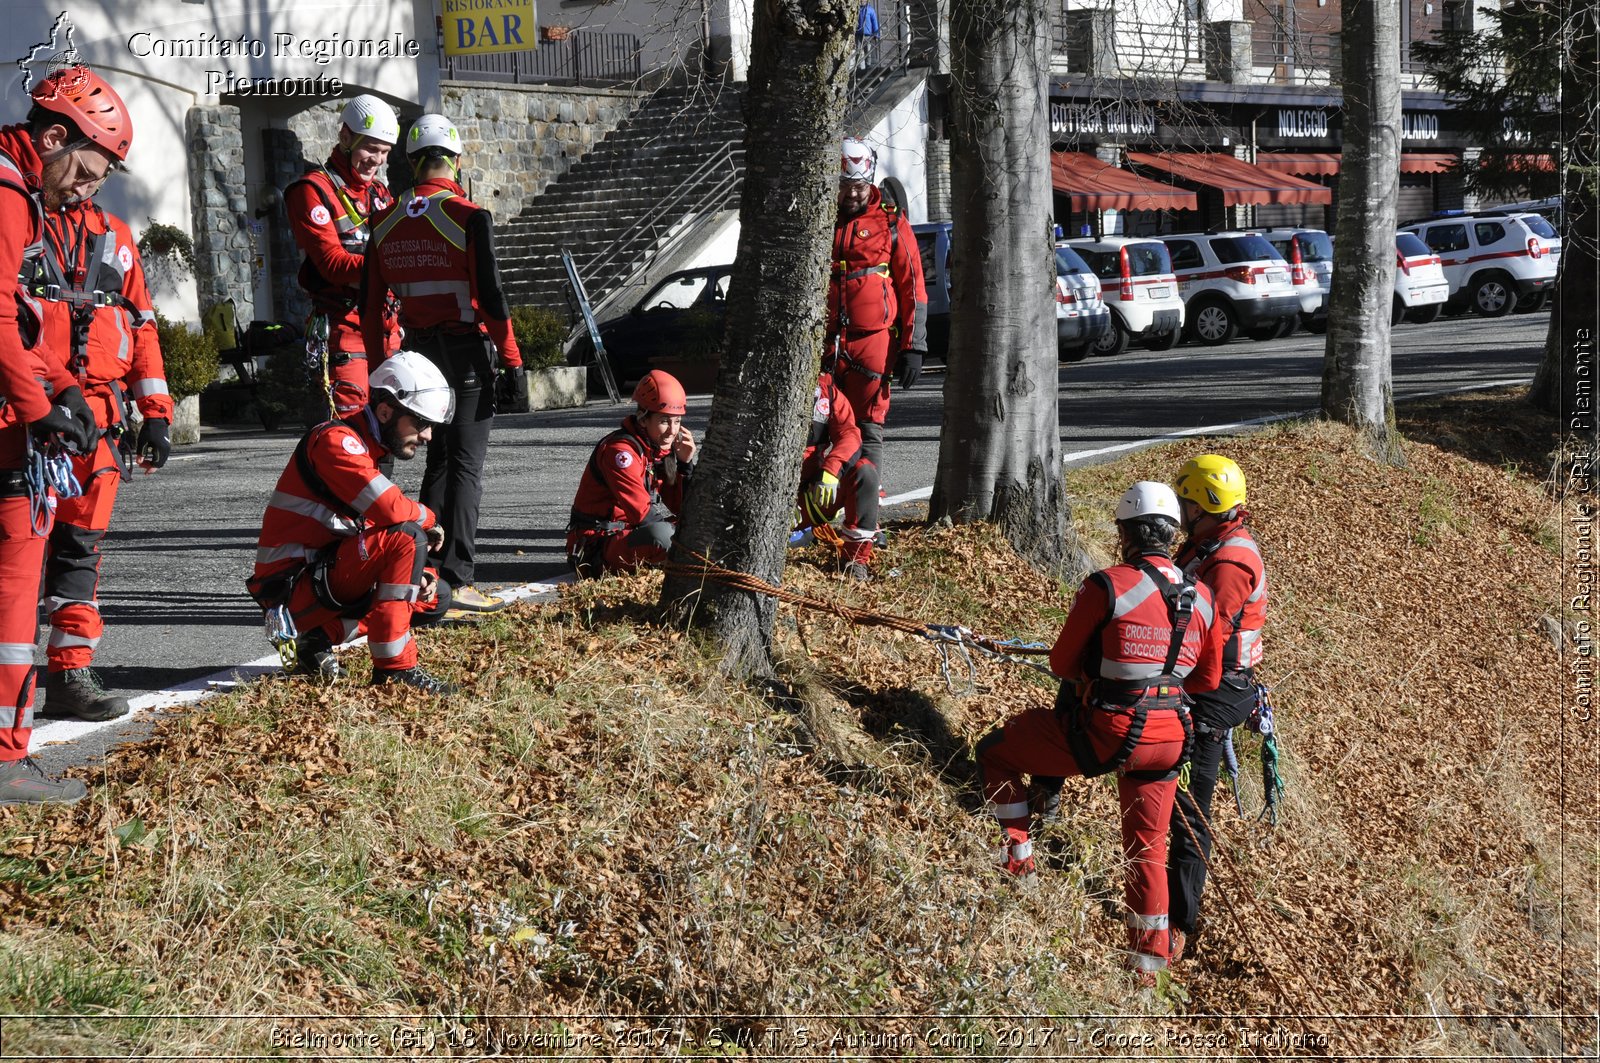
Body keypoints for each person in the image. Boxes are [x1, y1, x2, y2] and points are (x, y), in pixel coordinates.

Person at [975, 482, 1223, 981]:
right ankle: (1148, 968)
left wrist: (1107, 671)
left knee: (996, 753)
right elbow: (1207, 678)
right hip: (1172, 735)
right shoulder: (1203, 597)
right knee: (1148, 846)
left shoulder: (1107, 585)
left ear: (1125, 534)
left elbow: (1063, 662)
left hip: (1108, 730)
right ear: (1173, 534)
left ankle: (1018, 861)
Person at [23, 75, 173, 723]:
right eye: (87, 169)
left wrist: (157, 414)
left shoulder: (115, 235)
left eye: (102, 175)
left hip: (99, 426)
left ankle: (70, 672)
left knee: (80, 554)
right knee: (19, 553)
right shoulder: (18, 217)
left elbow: (141, 326)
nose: (89, 185)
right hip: (29, 414)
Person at [0, 65, 117, 802]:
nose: (88, 189)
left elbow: (16, 318)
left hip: (26, 406)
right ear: (52, 137)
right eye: (87, 170)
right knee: (15, 594)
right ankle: (6, 758)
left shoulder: (19, 192)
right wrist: (43, 408)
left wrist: (64, 384)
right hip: (11, 428)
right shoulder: (11, 195)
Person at [363, 113, 524, 613]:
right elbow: (492, 301)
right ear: (454, 160)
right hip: (466, 353)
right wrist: (514, 362)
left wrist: (379, 372)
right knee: (466, 465)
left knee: (436, 460)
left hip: (416, 354)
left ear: (412, 163)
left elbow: (369, 310)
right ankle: (458, 577)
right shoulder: (468, 215)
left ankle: (423, 572)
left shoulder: (383, 222)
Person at [247, 351, 457, 695]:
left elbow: (371, 530)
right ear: (386, 411)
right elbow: (390, 511)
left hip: (321, 573)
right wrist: (429, 518)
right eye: (420, 423)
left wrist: (420, 574)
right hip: (291, 586)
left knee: (435, 596)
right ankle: (395, 670)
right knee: (408, 536)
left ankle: (314, 640)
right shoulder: (337, 443)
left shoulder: (365, 448)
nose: (427, 436)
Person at [1167, 454, 1268, 965]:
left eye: (1185, 501)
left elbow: (1207, 635)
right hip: (1202, 681)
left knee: (1189, 810)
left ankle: (1182, 922)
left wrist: (1170, 682)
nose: (1179, 510)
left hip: (1213, 692)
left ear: (1204, 506)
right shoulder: (1212, 543)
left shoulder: (1228, 562)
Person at [285, 94, 402, 417]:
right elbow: (333, 266)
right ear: (346, 137)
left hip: (387, 327)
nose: (376, 161)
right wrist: (394, 265)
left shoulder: (379, 193)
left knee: (390, 427)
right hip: (344, 328)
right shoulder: (311, 190)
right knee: (350, 433)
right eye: (370, 149)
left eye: (384, 153)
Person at [827, 136, 926, 489]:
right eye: (844, 186)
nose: (852, 194)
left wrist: (915, 346)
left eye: (858, 186)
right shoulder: (819, 221)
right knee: (820, 426)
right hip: (825, 344)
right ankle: (818, 513)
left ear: (869, 181)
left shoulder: (891, 223)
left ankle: (867, 515)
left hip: (873, 344)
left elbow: (912, 285)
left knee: (868, 428)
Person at [566, 370, 696, 578]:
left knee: (702, 525)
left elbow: (684, 508)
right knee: (665, 535)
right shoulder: (621, 452)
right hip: (597, 544)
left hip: (629, 536)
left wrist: (685, 465)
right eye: (664, 421)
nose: (672, 431)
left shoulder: (658, 450)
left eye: (677, 421)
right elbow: (643, 514)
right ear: (643, 419)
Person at [793, 370, 879, 581]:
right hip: (763, 499)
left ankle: (855, 562)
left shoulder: (827, 393)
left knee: (864, 472)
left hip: (812, 496)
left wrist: (831, 470)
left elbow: (850, 434)